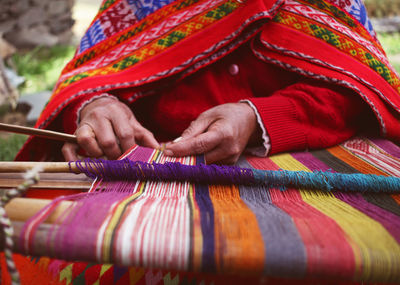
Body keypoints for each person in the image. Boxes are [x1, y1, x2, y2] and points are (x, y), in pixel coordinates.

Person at [16, 0, 400, 164]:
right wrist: (96, 107)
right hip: (148, 180)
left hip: (300, 178)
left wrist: (257, 119)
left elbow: (360, 90)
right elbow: (91, 75)